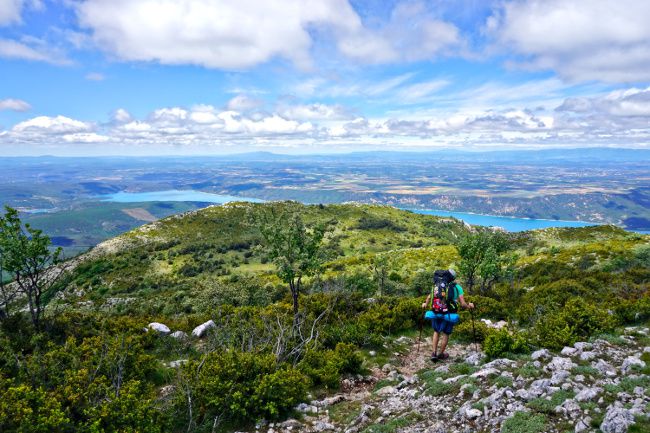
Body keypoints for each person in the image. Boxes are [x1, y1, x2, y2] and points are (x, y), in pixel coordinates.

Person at [421, 269, 474, 361]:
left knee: (436, 331)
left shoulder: (437, 285)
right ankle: (441, 354)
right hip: (449, 313)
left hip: (436, 312)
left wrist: (425, 304)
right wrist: (469, 306)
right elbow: (463, 304)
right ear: (452, 278)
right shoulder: (457, 287)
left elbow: (429, 297)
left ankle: (433, 353)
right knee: (446, 333)